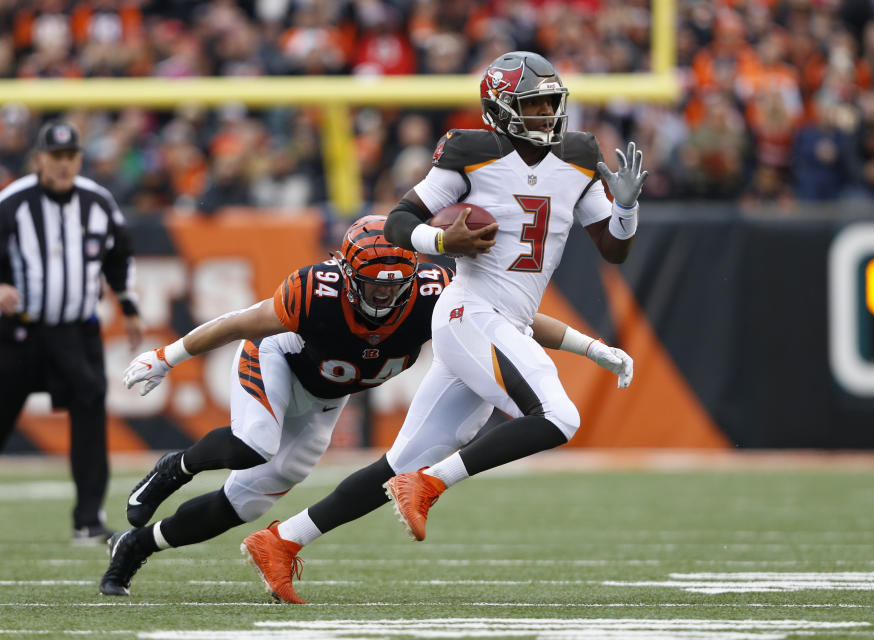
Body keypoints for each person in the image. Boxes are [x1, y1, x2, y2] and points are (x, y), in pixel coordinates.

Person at [239, 50, 645, 604]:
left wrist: (626, 210)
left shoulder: (577, 156)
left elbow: (614, 250)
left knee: (399, 461)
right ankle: (430, 485)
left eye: (553, 100)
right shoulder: (470, 152)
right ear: (500, 110)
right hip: (469, 312)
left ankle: (281, 540)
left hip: (505, 322)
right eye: (535, 103)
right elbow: (401, 220)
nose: (548, 112)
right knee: (558, 416)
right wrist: (442, 242)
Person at [99, 215, 626, 597]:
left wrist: (591, 345)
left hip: (326, 400)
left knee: (246, 505)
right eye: (372, 283)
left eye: (393, 285)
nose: (382, 296)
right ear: (345, 272)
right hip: (279, 359)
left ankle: (138, 546)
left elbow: (517, 322)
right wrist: (166, 356)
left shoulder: (433, 291)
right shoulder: (313, 290)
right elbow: (239, 322)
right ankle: (176, 467)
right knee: (254, 442)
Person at [0, 121, 143, 545]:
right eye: (55, 157)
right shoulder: (13, 202)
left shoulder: (97, 202)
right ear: (39, 158)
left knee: (90, 413)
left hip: (75, 332)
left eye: (70, 157)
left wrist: (129, 304)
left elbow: (120, 254)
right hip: (19, 334)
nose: (63, 165)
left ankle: (89, 520)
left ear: (78, 159)